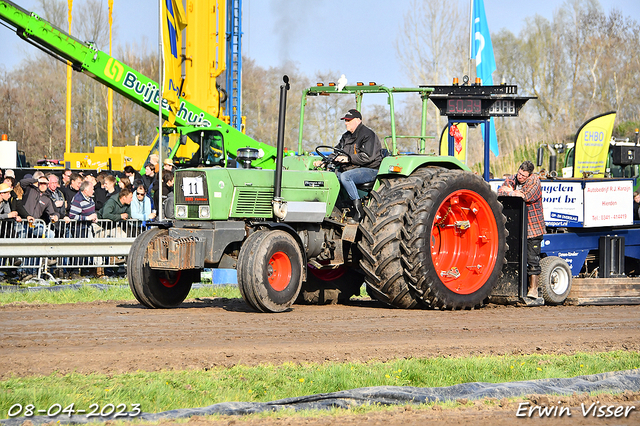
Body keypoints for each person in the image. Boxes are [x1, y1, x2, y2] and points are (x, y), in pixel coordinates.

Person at [312, 109, 383, 223]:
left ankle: (358, 209)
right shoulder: (346, 136)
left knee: (346, 177)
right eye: (345, 120)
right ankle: (336, 207)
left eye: (348, 120)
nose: (346, 123)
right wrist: (324, 161)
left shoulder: (368, 135)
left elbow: (367, 157)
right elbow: (337, 151)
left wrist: (348, 158)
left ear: (358, 120)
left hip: (370, 169)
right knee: (331, 175)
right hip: (353, 168)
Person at [498, 160, 545, 302]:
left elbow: (525, 196)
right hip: (516, 227)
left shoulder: (535, 182)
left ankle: (533, 289)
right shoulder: (512, 179)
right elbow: (500, 191)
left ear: (529, 175)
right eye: (519, 173)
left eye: (524, 176)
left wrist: (511, 192)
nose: (520, 177)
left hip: (533, 228)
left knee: (532, 259)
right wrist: (514, 192)